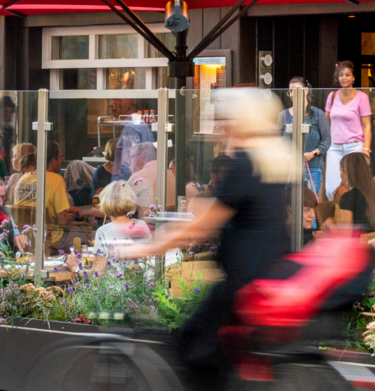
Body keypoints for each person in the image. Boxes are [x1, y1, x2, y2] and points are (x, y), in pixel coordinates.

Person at [119, 87, 301, 390]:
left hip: (243, 283)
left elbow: (200, 226)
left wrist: (146, 248)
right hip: (269, 276)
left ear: (241, 122)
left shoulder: (246, 165)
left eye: (225, 120)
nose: (220, 128)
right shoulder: (269, 161)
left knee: (192, 343)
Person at [11, 142, 78, 249]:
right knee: (85, 233)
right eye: (60, 157)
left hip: (25, 239)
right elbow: (62, 220)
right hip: (51, 239)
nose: (61, 160)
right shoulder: (56, 180)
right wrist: (73, 215)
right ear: (53, 160)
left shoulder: (23, 179)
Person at [322, 61, 373, 200]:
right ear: (337, 78)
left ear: (353, 77)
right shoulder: (332, 96)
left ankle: (352, 218)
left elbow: (367, 126)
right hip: (334, 147)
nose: (344, 78)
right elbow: (326, 123)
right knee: (331, 189)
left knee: (355, 186)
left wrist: (366, 150)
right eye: (341, 75)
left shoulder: (362, 97)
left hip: (355, 146)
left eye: (347, 75)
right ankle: (338, 217)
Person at [279, 76, 331, 197]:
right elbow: (276, 142)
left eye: (296, 90)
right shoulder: (284, 115)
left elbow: (327, 140)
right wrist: (285, 156)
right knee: (288, 205)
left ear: (306, 90)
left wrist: (312, 154)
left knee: (309, 205)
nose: (293, 94)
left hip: (312, 168)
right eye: (290, 91)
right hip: (288, 168)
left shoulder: (318, 114)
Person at [330, 152, 375, 231]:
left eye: (341, 171)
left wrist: (329, 224)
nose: (341, 176)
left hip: (359, 243)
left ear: (347, 172)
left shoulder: (348, 197)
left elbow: (345, 236)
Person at [93, 181, 153, 247]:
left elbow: (100, 257)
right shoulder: (141, 225)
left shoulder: (102, 231)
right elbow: (150, 253)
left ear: (104, 204)